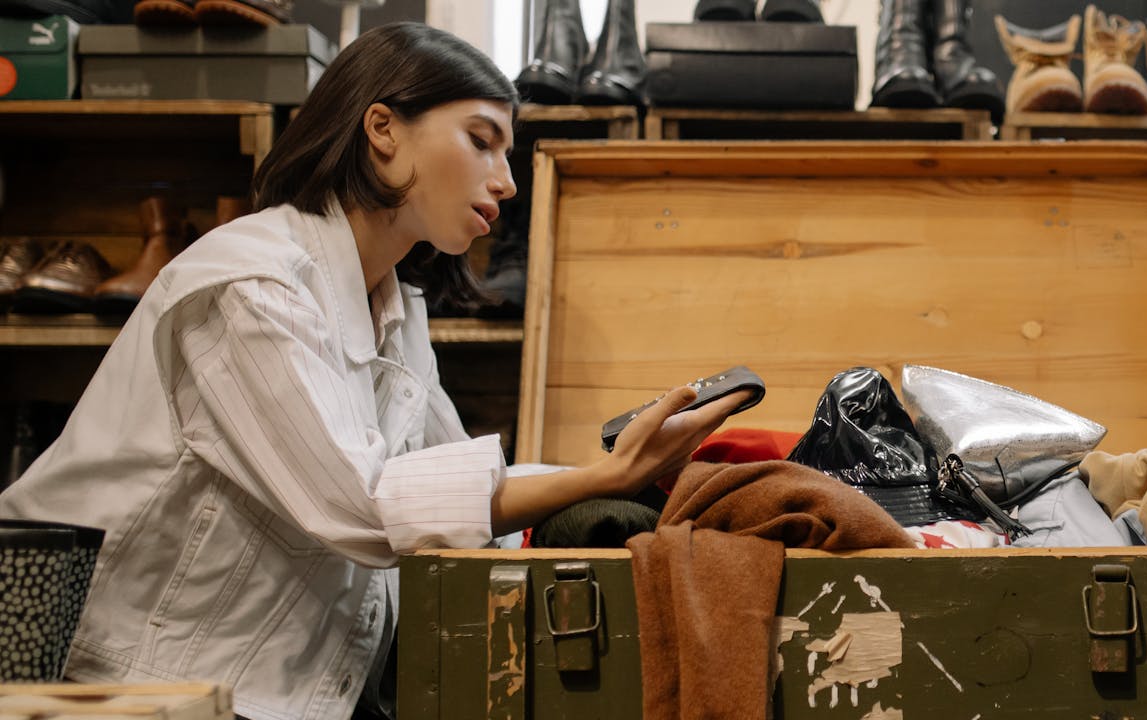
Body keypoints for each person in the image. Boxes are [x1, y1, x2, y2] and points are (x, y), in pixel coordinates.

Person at [0, 22, 748, 720]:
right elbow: (363, 507)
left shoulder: (393, 307)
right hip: (130, 691)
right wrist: (600, 479)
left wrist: (637, 476)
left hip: (275, 692)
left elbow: (448, 487)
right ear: (383, 131)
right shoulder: (253, 286)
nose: (507, 180)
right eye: (482, 141)